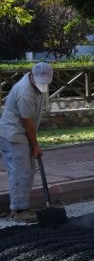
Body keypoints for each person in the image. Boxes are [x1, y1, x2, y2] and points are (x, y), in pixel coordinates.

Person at [0, 62, 53, 222]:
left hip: (22, 134)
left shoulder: (37, 84)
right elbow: (28, 123)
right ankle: (19, 211)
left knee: (28, 170)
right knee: (20, 172)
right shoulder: (25, 93)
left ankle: (20, 206)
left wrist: (33, 143)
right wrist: (35, 145)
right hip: (14, 135)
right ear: (32, 76)